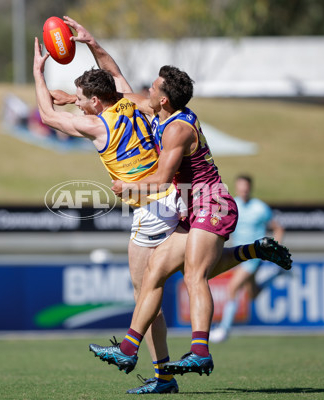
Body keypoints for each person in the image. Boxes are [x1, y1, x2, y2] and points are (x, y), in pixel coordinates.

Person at [58, 16, 292, 393]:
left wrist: (129, 190)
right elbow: (115, 82)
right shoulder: (155, 110)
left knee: (195, 275)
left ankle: (200, 351)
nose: (145, 90)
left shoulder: (178, 129)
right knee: (155, 275)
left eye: (152, 87)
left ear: (163, 99)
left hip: (212, 204)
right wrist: (91, 44)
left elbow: (163, 180)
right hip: (190, 207)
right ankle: (133, 351)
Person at [33, 31, 186, 394]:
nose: (79, 106)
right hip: (173, 197)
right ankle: (161, 373)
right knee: (165, 284)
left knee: (146, 294)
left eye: (83, 101)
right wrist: (90, 42)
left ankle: (151, 366)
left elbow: (46, 115)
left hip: (150, 208)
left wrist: (39, 72)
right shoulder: (131, 102)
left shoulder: (98, 125)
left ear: (98, 102)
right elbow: (113, 72)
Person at [210, 174, 286, 343]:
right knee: (253, 294)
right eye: (241, 187)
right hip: (237, 254)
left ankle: (224, 329)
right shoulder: (232, 204)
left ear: (250, 188)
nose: (244, 191)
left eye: (246, 188)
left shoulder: (260, 208)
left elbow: (278, 229)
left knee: (233, 287)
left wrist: (275, 250)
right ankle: (277, 275)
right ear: (237, 188)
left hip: (254, 255)